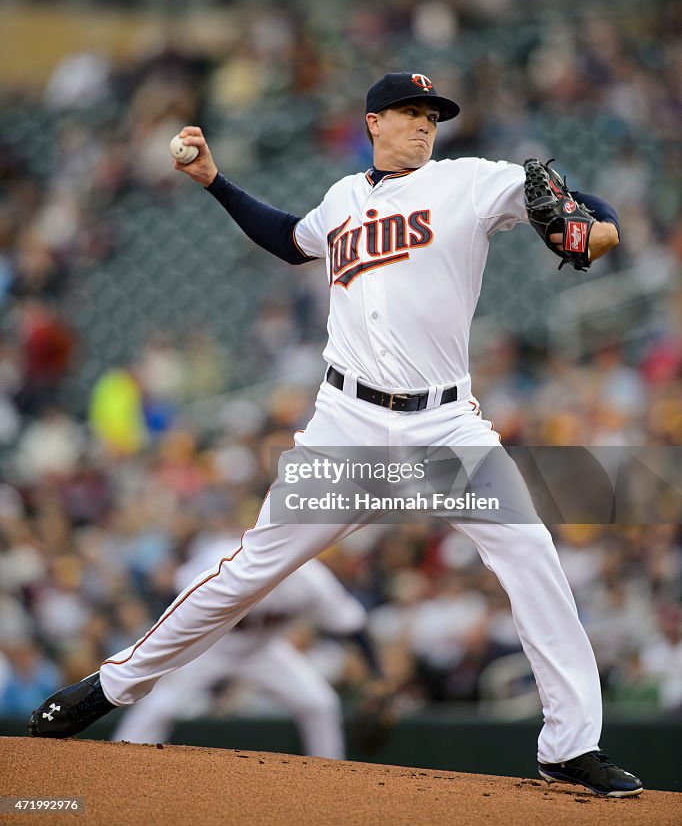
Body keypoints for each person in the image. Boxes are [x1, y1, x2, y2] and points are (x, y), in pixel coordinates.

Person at [30, 72, 643, 798]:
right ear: (373, 122)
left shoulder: (468, 182)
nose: (424, 125)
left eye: (432, 116)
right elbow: (290, 240)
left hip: (445, 424)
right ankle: (110, 687)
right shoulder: (342, 200)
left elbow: (569, 203)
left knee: (531, 551)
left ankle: (570, 745)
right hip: (346, 425)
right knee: (248, 572)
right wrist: (215, 182)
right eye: (410, 113)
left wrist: (598, 226)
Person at [110, 534, 377, 758]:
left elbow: (351, 625)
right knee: (160, 705)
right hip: (209, 648)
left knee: (320, 703)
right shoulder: (225, 556)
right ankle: (120, 765)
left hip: (264, 651)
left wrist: (379, 677)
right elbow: (179, 595)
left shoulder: (312, 580)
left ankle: (331, 781)